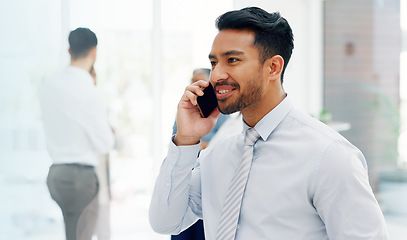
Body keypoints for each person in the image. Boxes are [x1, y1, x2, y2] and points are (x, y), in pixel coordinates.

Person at [149, 7, 388, 239]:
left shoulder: (329, 156)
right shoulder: (217, 155)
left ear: (273, 67)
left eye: (232, 60)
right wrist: (186, 141)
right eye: (213, 63)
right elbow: (165, 221)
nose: (216, 75)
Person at [40, 27, 115, 240]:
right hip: (81, 178)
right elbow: (105, 144)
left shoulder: (48, 84)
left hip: (56, 175)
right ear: (94, 52)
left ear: (69, 51)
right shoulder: (88, 90)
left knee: (71, 234)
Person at [173, 68, 229, 150]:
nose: (192, 85)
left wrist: (201, 145)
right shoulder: (186, 110)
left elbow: (225, 142)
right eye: (192, 81)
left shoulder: (221, 112)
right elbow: (175, 139)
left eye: (197, 81)